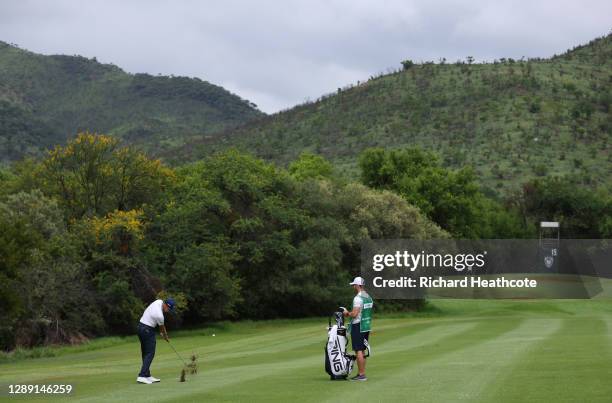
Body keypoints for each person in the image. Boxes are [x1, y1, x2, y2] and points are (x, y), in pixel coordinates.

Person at [136, 298, 176, 384]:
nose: (168, 311)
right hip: (147, 330)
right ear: (166, 305)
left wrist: (162, 333)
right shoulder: (160, 315)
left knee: (146, 353)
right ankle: (142, 376)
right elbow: (162, 328)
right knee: (150, 353)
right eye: (168, 309)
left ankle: (147, 375)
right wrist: (165, 336)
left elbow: (159, 327)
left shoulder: (159, 301)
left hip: (140, 327)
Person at [343, 276, 373, 381]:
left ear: (357, 285)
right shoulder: (368, 296)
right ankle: (362, 373)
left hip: (358, 325)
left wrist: (347, 313)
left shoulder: (358, 298)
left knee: (358, 350)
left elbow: (355, 314)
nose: (353, 287)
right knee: (362, 350)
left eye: (354, 285)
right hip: (366, 325)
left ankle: (361, 375)